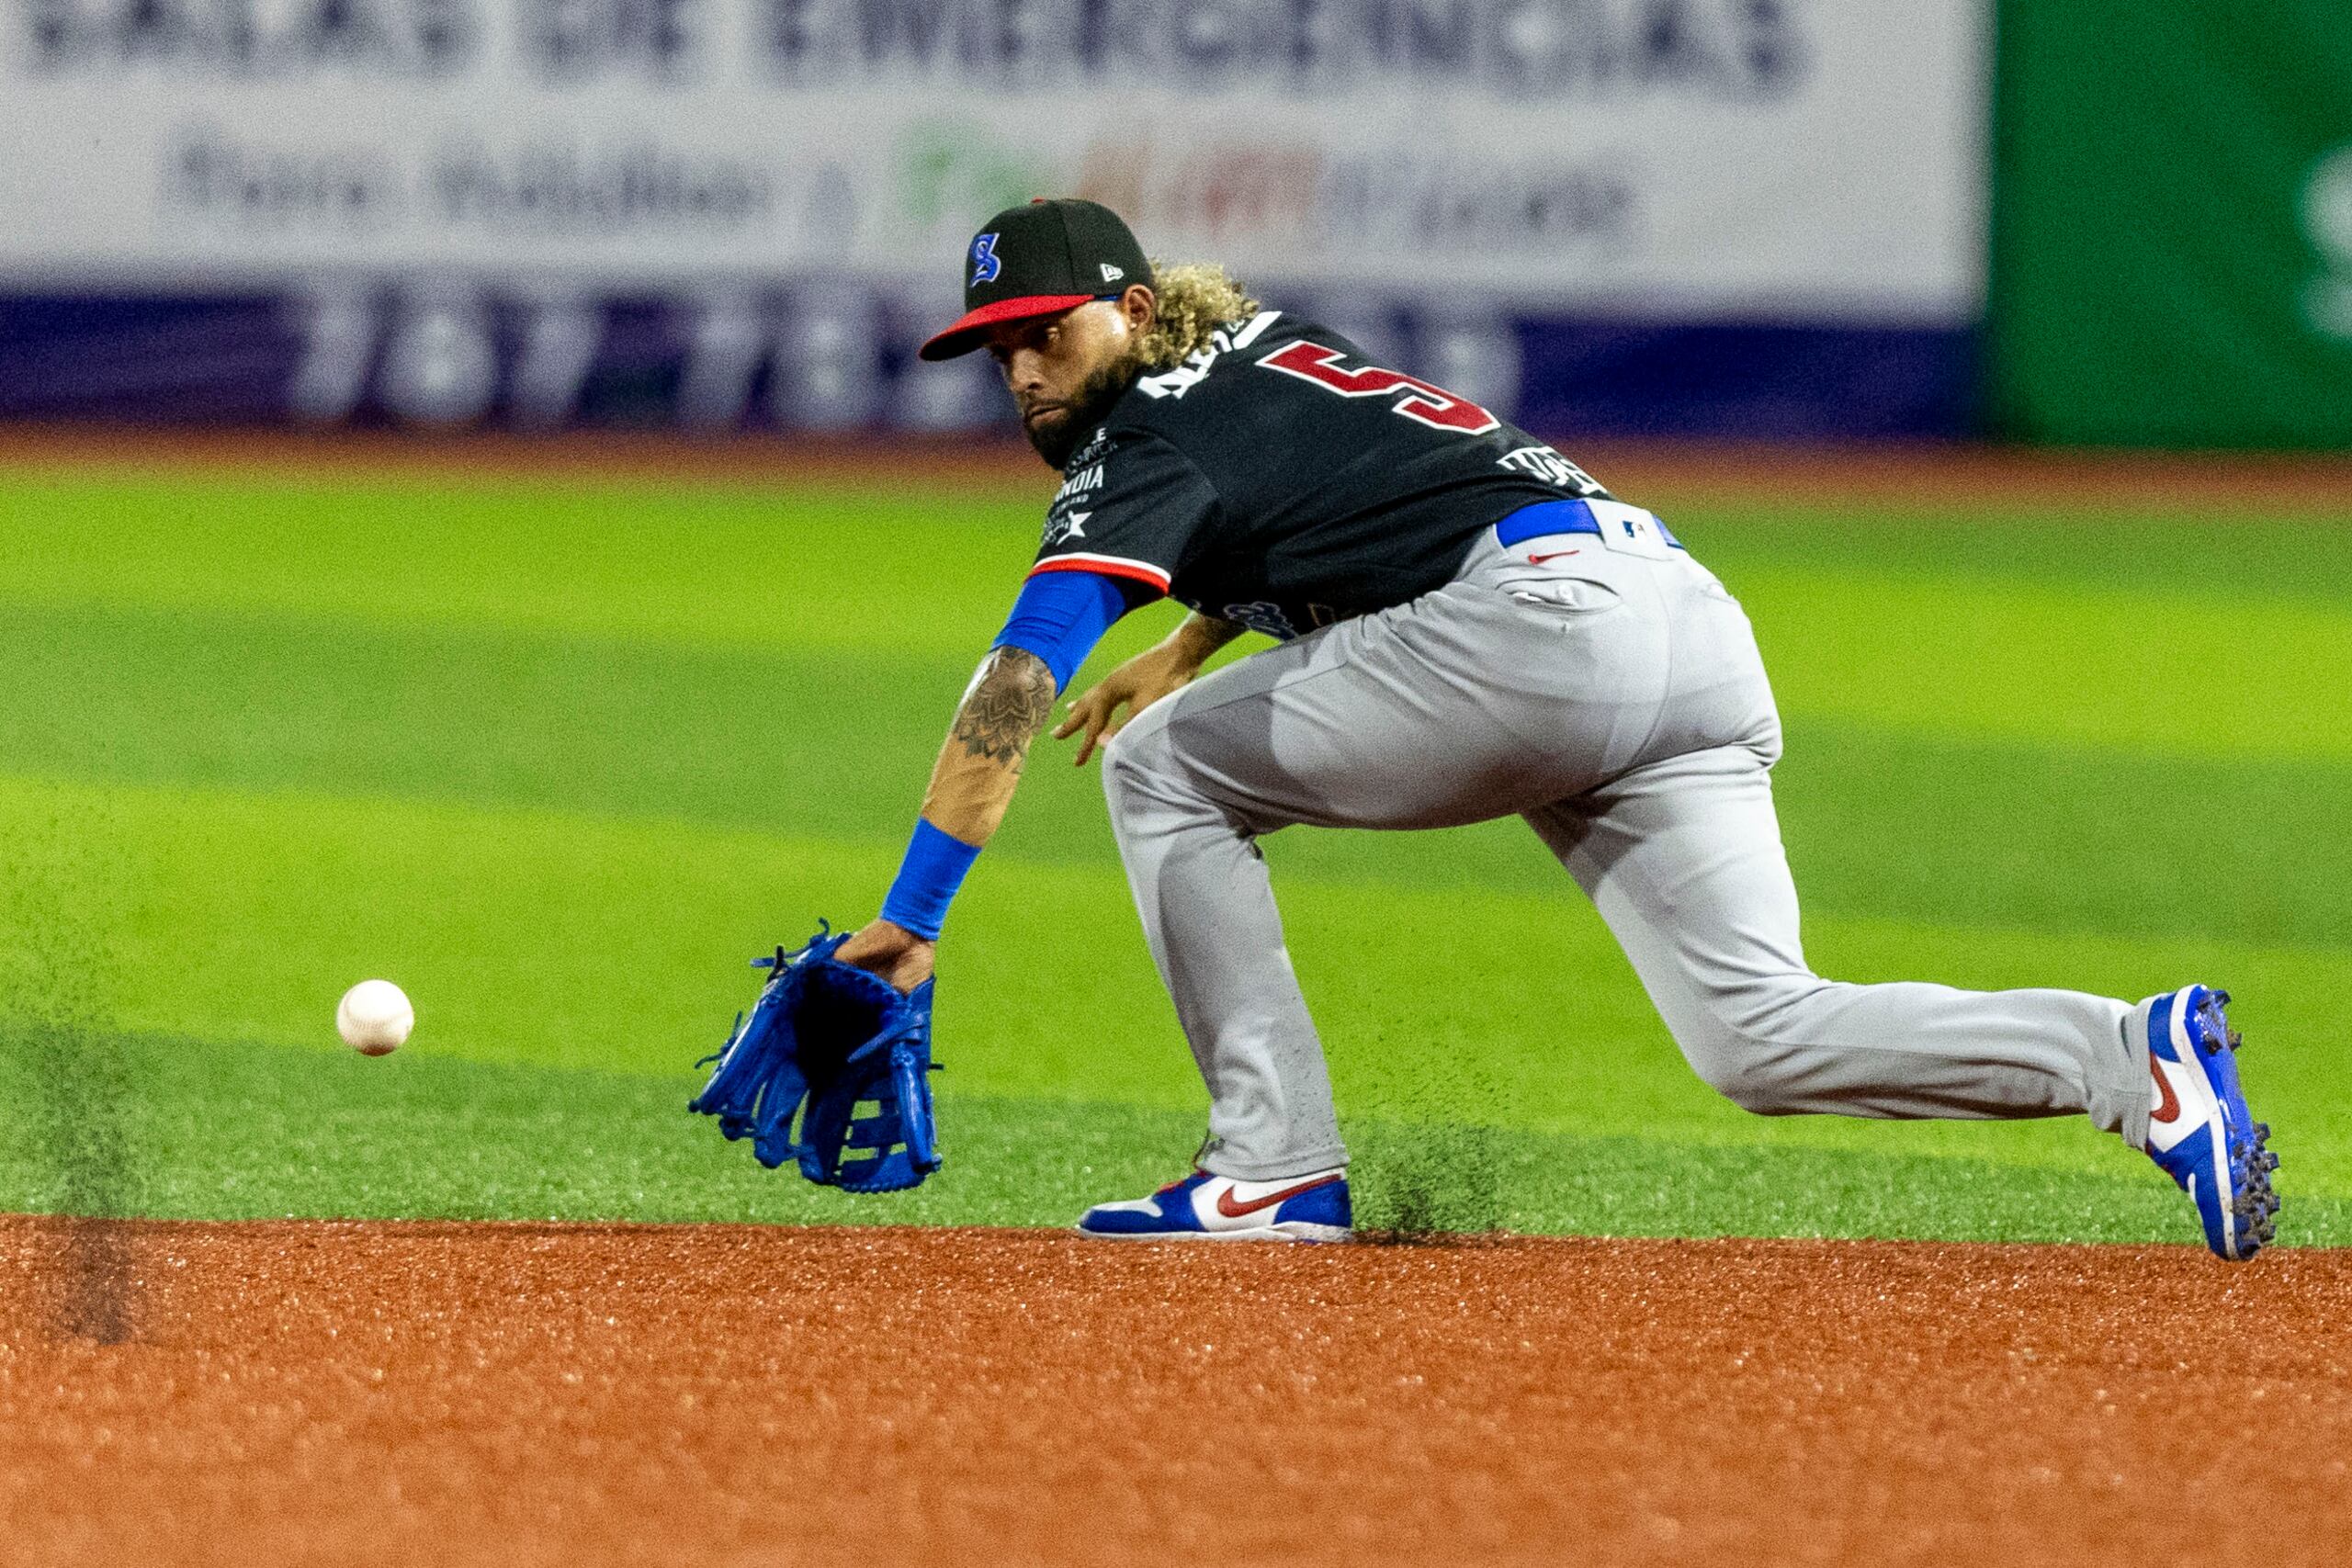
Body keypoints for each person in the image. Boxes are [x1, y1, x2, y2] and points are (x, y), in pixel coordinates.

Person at [831, 197, 2278, 1258]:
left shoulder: (1143, 435)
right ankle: (2126, 1057)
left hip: (1538, 633)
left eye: (1047, 332)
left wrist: (910, 918)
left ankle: (1271, 1165)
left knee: (1161, 770)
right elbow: (1346, 496)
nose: (1023, 370)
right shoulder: (1259, 343)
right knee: (1760, 1039)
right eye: (999, 349)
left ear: (1134, 314)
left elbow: (1018, 680)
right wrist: (1198, 637)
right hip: (1677, 615)